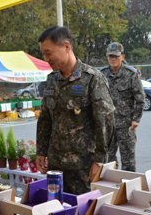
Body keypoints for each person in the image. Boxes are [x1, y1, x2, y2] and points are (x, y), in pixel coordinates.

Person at [36, 26, 115, 194]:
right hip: (56, 166)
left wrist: (99, 161)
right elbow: (45, 119)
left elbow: (105, 123)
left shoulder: (92, 79)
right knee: (57, 210)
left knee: (82, 214)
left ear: (66, 47)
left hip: (83, 166)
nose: (46, 58)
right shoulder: (52, 80)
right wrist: (41, 151)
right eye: (43, 54)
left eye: (49, 53)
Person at [101, 42, 145, 172]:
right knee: (108, 159)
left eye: (116, 56)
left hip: (126, 125)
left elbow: (140, 98)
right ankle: (112, 187)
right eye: (110, 56)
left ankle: (128, 188)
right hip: (107, 124)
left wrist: (136, 119)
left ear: (123, 57)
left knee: (128, 160)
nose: (113, 59)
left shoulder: (131, 74)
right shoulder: (101, 74)